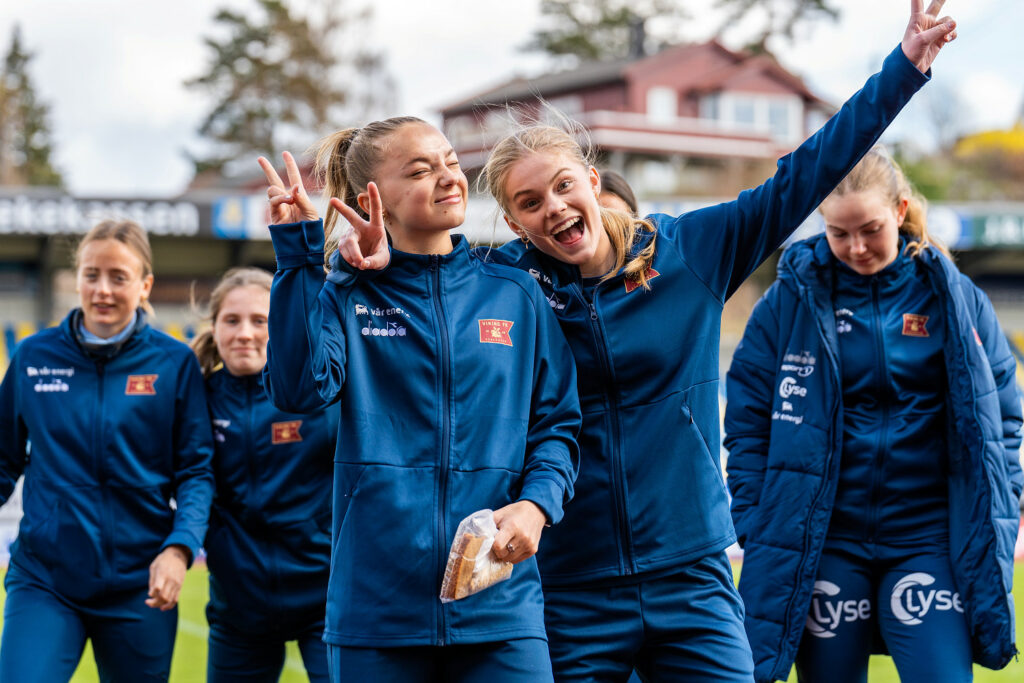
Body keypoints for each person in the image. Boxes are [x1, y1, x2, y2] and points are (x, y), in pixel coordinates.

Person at [476, 2, 957, 680]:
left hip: (691, 572)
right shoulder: (505, 286)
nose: (553, 206)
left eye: (562, 185)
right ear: (513, 223)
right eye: (530, 203)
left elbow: (809, 171)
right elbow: (417, 272)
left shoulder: (690, 250)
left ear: (592, 180)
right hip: (572, 584)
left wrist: (902, 70)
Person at [256, 116, 581, 682]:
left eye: (451, 162)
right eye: (420, 170)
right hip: (376, 614)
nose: (449, 177)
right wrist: (299, 259)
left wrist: (537, 504)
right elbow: (298, 390)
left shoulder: (515, 292)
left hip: (500, 610)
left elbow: (557, 423)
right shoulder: (346, 293)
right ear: (371, 200)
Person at [723, 148, 1022, 682]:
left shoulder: (954, 297)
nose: (856, 247)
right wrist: (754, 520)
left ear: (900, 211)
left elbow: (1003, 415)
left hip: (926, 540)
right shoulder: (788, 301)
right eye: (839, 233)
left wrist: (1002, 500)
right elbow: (746, 422)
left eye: (870, 230)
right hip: (825, 544)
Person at [0, 220, 214, 682]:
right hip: (45, 578)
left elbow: (196, 471)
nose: (102, 290)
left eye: (119, 277)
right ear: (76, 278)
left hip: (140, 583)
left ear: (144, 285)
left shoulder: (174, 363)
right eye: (91, 274)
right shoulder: (33, 357)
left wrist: (179, 549)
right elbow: (3, 460)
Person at [191, 267, 338, 682]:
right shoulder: (194, 399)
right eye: (232, 320)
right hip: (240, 610)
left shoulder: (320, 391)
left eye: (260, 320)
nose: (245, 334)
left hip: (326, 602)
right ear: (214, 327)